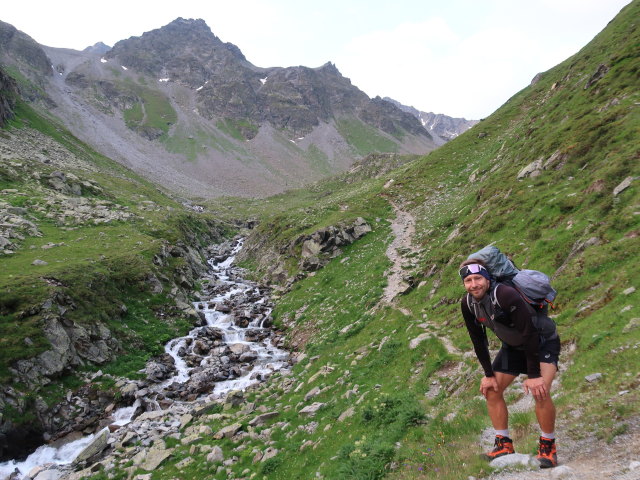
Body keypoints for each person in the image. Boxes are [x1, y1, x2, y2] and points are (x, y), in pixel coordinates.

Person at [459, 260, 561, 468]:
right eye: (468, 280)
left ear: (487, 279)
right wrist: (488, 374)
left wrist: (533, 376)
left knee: (540, 391)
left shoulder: (505, 294)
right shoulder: (467, 303)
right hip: (513, 347)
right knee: (492, 390)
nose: (474, 284)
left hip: (542, 343)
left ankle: (548, 447)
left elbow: (530, 332)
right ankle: (503, 444)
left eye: (478, 278)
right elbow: (478, 340)